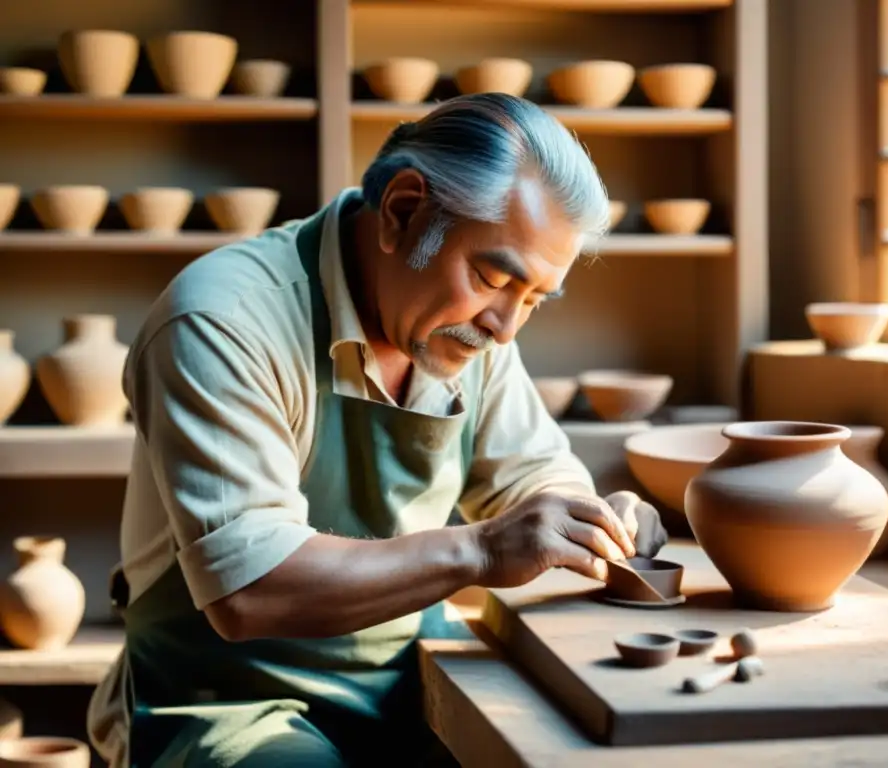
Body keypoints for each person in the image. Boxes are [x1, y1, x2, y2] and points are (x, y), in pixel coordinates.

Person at [86, 93, 668, 767]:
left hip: (410, 677)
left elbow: (532, 475)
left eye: (533, 299)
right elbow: (249, 592)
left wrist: (589, 516)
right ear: (402, 211)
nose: (505, 327)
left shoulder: (466, 327)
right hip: (227, 700)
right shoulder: (222, 320)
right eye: (492, 277)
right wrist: (478, 552)